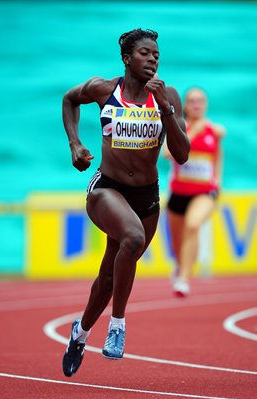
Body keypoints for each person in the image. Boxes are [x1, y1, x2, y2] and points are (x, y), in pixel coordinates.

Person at [61, 28, 190, 377]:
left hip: (147, 198)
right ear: (127, 59)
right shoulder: (105, 89)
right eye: (145, 53)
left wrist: (164, 109)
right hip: (106, 189)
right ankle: (117, 325)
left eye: (157, 55)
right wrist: (75, 144)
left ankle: (80, 332)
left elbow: (181, 154)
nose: (152, 59)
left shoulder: (169, 96)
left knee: (107, 276)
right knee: (131, 239)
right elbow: (70, 99)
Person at [163, 87, 226, 297]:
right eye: (192, 101)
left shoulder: (215, 131)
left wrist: (217, 184)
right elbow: (166, 154)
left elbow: (217, 159)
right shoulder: (177, 129)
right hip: (178, 193)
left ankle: (184, 279)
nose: (197, 104)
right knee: (177, 243)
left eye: (201, 101)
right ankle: (182, 267)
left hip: (205, 192)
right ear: (185, 105)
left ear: (205, 105)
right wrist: (194, 131)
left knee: (193, 224)